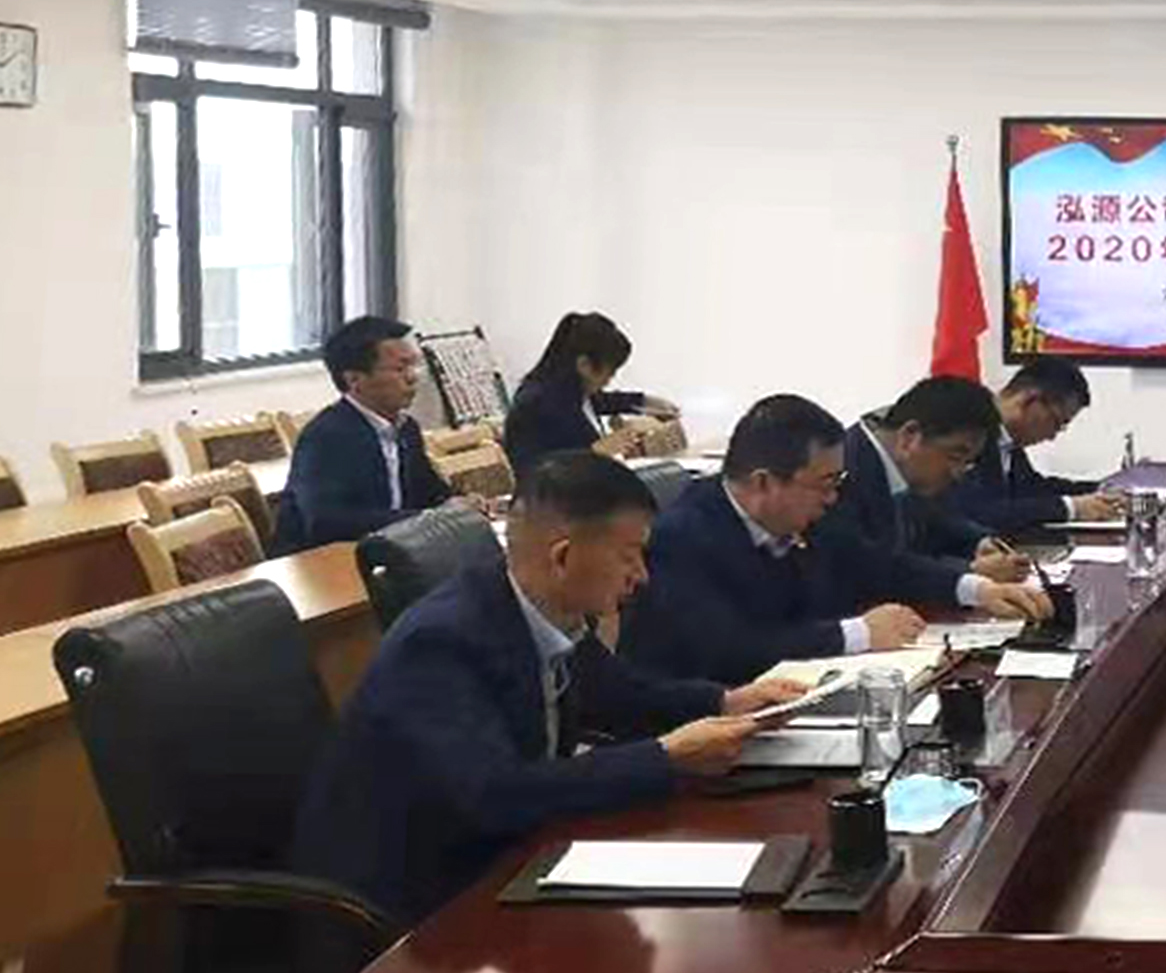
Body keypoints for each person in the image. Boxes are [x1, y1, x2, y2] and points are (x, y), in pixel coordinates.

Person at [289, 451, 797, 928]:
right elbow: (495, 794)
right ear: (563, 557)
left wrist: (724, 701)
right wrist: (665, 757)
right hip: (414, 899)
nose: (641, 577)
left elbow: (616, 690)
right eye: (630, 557)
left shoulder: (541, 606)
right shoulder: (440, 644)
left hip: (508, 854)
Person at [629, 393, 1052, 685]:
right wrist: (858, 634)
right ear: (764, 483)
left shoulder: (801, 515)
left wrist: (978, 589)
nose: (834, 498)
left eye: (838, 481)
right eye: (826, 483)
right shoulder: (683, 538)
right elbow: (728, 651)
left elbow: (876, 563)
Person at [833, 375, 1046, 588]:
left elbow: (934, 521)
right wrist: (968, 574)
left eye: (967, 462)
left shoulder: (904, 467)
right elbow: (870, 571)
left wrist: (979, 544)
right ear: (909, 436)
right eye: (955, 456)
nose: (958, 474)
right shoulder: (842, 474)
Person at [279, 317, 451, 552]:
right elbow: (325, 523)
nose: (412, 377)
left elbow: (430, 492)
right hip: (322, 560)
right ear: (354, 380)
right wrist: (424, 518)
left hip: (391, 548)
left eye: (414, 366)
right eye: (400, 369)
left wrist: (458, 505)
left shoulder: (406, 428)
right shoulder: (325, 437)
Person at [943, 360, 1125, 533]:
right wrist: (1072, 508)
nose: (1052, 436)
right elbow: (976, 512)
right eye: (1056, 422)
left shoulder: (1007, 441)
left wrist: (1101, 489)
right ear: (1029, 400)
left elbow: (1032, 488)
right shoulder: (968, 431)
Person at [502, 312, 678, 478]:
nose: (608, 381)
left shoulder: (576, 392)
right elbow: (530, 470)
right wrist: (595, 452)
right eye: (610, 373)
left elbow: (607, 401)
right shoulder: (535, 403)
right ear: (584, 365)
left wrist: (645, 402)